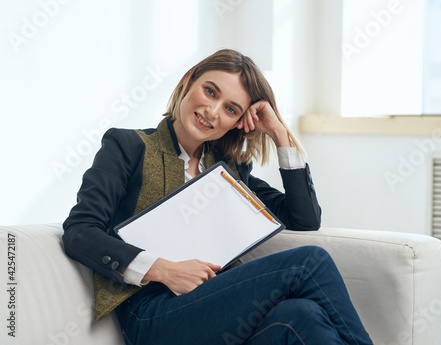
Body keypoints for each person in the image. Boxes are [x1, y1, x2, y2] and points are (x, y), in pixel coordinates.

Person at [63, 49, 373, 345]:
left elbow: (304, 219)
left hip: (218, 312)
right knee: (310, 261)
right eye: (210, 92)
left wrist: (280, 134)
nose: (212, 112)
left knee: (302, 315)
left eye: (230, 109)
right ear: (188, 81)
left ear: (238, 122)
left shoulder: (229, 169)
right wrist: (164, 269)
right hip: (152, 317)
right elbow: (80, 231)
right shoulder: (128, 146)